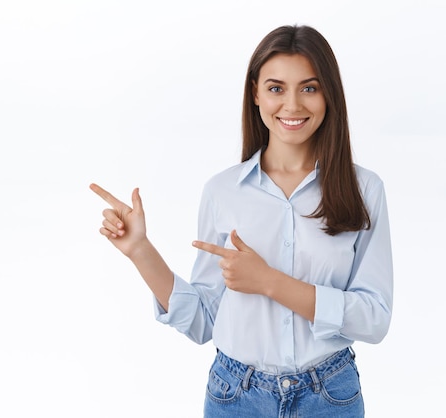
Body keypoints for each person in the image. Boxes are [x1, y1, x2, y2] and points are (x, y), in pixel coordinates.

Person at [90, 24, 392, 417]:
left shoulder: (364, 189)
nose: (293, 105)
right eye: (276, 88)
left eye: (310, 88)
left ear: (329, 94)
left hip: (329, 395)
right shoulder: (222, 192)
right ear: (255, 93)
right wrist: (139, 251)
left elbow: (374, 319)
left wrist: (270, 282)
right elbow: (203, 321)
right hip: (237, 397)